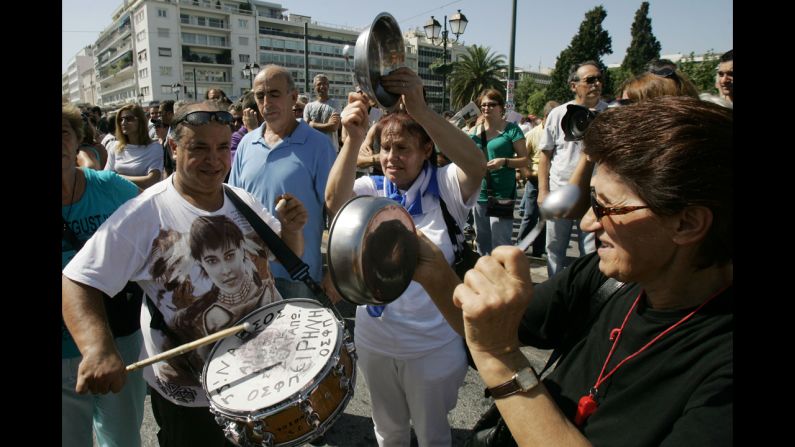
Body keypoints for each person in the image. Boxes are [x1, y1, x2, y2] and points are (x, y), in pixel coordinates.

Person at [411, 95, 733, 446]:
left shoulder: (721, 370)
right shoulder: (605, 278)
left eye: (607, 207)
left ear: (687, 223)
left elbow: (497, 344)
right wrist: (431, 269)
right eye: (591, 200)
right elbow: (495, 327)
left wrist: (502, 361)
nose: (588, 221)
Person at [62, 100, 308, 446]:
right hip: (192, 400)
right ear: (174, 148)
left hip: (262, 378)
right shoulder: (144, 213)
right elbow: (76, 279)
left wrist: (292, 230)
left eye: (223, 147)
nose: (214, 159)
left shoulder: (241, 200)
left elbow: (286, 255)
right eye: (199, 148)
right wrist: (97, 347)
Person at [326, 67, 486, 447]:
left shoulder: (444, 187)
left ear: (426, 148)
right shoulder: (372, 188)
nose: (391, 158)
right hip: (375, 338)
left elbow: (477, 165)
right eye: (385, 148)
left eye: (403, 148)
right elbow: (334, 203)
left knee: (433, 435)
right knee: (388, 432)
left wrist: (422, 112)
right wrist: (352, 140)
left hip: (433, 343)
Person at [62, 103, 146, 447]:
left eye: (62, 134)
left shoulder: (111, 187)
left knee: (123, 440)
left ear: (78, 139)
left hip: (120, 340)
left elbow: (159, 231)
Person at [230, 65, 337, 301]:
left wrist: (336, 272)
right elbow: (233, 207)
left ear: (293, 97)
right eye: (260, 96)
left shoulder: (319, 146)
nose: (266, 102)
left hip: (299, 275)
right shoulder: (246, 144)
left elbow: (335, 212)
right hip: (251, 274)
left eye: (274, 94)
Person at [538, 61, 607, 277]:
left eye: (599, 79)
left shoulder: (610, 114)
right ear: (573, 86)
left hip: (595, 195)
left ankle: (590, 292)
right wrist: (543, 191)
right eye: (589, 80)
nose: (596, 84)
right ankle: (555, 291)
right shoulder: (558, 114)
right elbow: (545, 155)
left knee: (592, 250)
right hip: (560, 193)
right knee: (555, 248)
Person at [469, 89, 529, 256]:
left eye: (491, 105)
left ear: (501, 107)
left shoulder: (512, 130)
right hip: (479, 192)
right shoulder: (475, 131)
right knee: (482, 240)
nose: (487, 108)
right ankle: (485, 277)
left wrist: (504, 161)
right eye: (483, 105)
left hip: (502, 193)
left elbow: (525, 159)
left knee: (500, 243)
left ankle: (502, 277)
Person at [515, 101, 559, 257]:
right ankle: (520, 246)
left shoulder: (560, 132)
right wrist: (525, 172)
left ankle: (539, 249)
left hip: (553, 182)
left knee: (545, 218)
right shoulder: (533, 134)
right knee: (530, 215)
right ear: (546, 116)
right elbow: (522, 157)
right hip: (534, 181)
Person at [105, 104, 164, 189]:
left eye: (129, 119)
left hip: (144, 199)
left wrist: (117, 177)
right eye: (120, 120)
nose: (123, 123)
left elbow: (151, 181)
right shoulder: (115, 146)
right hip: (119, 200)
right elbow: (106, 177)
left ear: (140, 121)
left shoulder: (154, 148)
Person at [303, 73, 342, 151]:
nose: (322, 86)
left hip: (330, 149)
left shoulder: (335, 103)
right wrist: (327, 125)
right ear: (314, 87)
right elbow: (306, 127)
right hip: (312, 149)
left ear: (328, 86)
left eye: (325, 84)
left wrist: (313, 124)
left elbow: (333, 127)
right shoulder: (308, 106)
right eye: (319, 84)